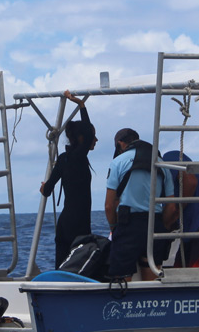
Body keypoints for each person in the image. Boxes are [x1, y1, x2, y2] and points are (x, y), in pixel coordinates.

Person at [105, 128, 178, 280]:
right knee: (151, 281)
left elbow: (109, 206)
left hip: (128, 226)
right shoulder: (161, 164)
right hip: (155, 225)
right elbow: (171, 207)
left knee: (121, 282)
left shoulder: (118, 162)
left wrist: (114, 228)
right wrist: (161, 226)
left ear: (120, 144)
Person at [39, 91, 97, 268]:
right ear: (82, 139)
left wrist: (43, 187)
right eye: (92, 137)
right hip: (79, 223)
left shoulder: (63, 159)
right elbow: (87, 133)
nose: (95, 140)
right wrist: (81, 105)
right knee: (78, 267)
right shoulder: (78, 157)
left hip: (65, 222)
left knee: (61, 265)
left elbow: (47, 191)